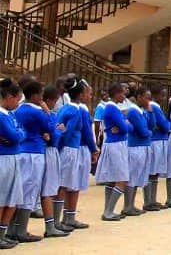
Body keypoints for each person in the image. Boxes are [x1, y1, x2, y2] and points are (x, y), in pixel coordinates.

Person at [11, 81, 63, 241]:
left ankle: (12, 229)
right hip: (35, 153)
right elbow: (52, 130)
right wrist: (50, 116)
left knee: (20, 189)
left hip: (21, 151)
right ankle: (21, 231)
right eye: (40, 93)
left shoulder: (18, 109)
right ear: (34, 95)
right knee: (30, 191)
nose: (42, 97)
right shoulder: (38, 112)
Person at [55, 77, 96, 230]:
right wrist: (93, 148)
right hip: (70, 150)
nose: (90, 96)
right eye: (88, 93)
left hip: (71, 149)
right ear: (80, 95)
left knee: (70, 184)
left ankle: (68, 217)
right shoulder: (74, 110)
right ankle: (58, 221)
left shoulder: (69, 108)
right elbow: (66, 133)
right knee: (64, 185)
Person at [95, 83, 131, 222]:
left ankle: (108, 209)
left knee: (112, 179)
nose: (124, 95)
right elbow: (125, 127)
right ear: (116, 94)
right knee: (121, 179)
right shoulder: (112, 108)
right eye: (122, 93)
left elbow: (123, 126)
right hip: (116, 145)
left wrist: (124, 123)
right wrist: (125, 122)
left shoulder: (113, 108)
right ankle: (108, 211)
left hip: (115, 143)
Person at [0, 79, 26, 249]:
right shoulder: (1, 115)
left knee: (13, 199)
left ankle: (2, 234)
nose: (17, 103)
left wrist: (16, 136)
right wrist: (15, 136)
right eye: (17, 99)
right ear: (9, 97)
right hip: (4, 158)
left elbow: (21, 133)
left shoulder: (10, 114)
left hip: (14, 156)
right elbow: (15, 135)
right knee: (2, 198)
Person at [40, 86, 68, 235]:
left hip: (48, 151)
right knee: (49, 190)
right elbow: (54, 137)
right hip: (48, 152)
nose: (57, 104)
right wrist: (59, 130)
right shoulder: (48, 114)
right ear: (49, 100)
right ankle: (50, 226)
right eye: (56, 101)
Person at [122, 86, 152, 218]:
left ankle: (131, 205)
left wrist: (150, 113)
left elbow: (151, 126)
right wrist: (150, 132)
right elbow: (144, 131)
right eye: (146, 97)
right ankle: (127, 206)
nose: (148, 101)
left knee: (138, 177)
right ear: (139, 97)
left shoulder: (142, 111)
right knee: (132, 177)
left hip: (143, 146)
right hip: (135, 147)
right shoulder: (133, 112)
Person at [145, 87, 170, 212]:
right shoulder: (154, 106)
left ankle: (152, 199)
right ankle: (148, 200)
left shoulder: (154, 106)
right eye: (162, 95)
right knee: (152, 172)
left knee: (155, 173)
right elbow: (164, 125)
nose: (164, 98)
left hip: (159, 140)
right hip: (157, 141)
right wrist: (168, 125)